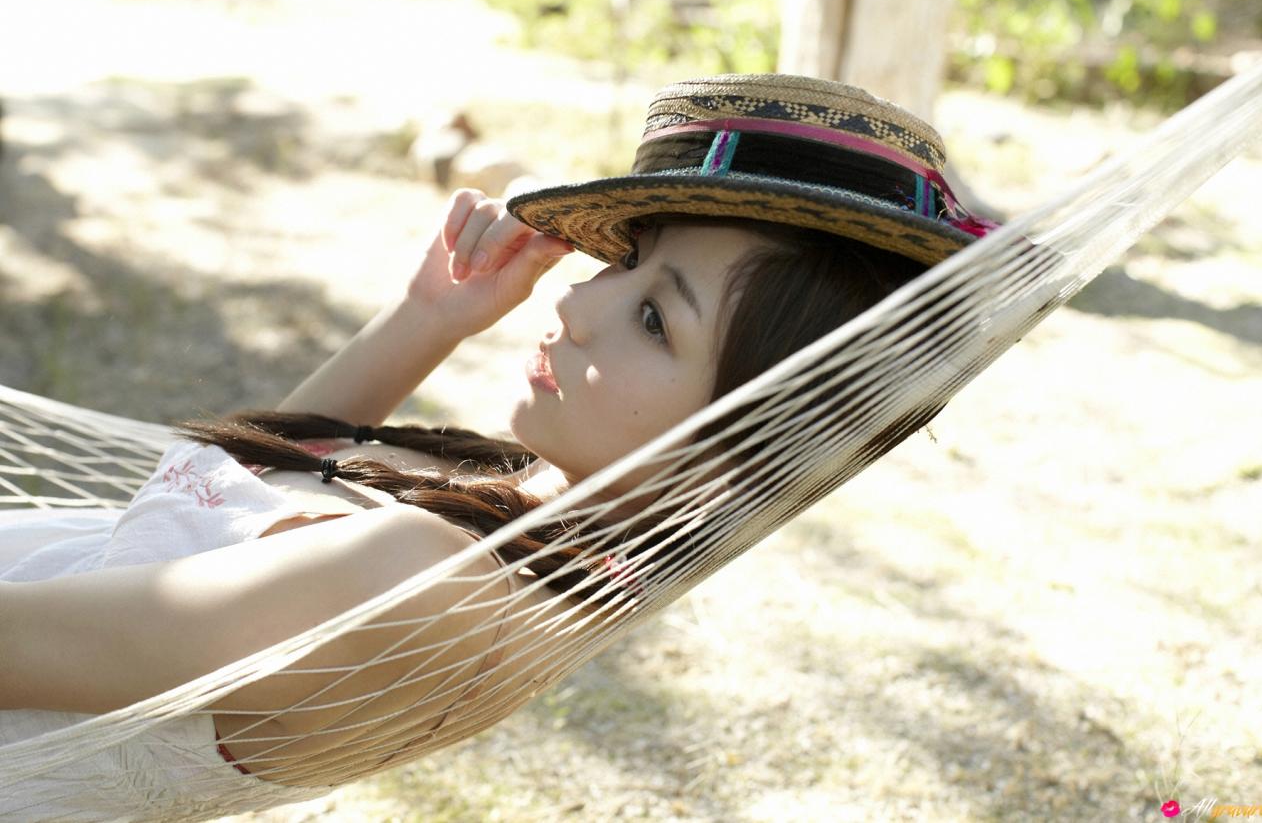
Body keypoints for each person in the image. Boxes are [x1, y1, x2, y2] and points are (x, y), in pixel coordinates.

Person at [0, 72, 997, 819]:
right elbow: (220, 508)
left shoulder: (417, 582)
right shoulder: (517, 514)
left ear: (745, 441)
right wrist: (426, 320)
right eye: (627, 263)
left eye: (657, 319)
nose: (578, 302)